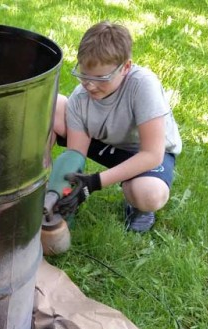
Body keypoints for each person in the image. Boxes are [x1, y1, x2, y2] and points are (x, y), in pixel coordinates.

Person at [51, 21, 182, 232]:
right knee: (53, 104)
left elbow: (152, 154)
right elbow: (76, 154)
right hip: (107, 145)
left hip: (144, 152)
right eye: (84, 75)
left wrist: (94, 182)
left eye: (101, 78)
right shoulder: (80, 98)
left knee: (149, 194)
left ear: (126, 67)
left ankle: (137, 203)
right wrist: (64, 190)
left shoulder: (143, 85)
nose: (90, 85)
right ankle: (34, 186)